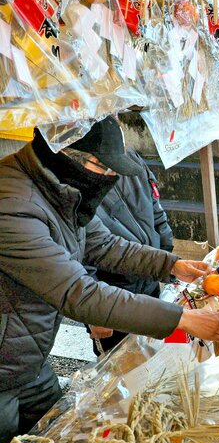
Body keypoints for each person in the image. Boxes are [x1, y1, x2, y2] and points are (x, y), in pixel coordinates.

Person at [0, 118, 219, 443]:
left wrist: (172, 265)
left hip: (26, 356)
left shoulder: (58, 189)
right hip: (3, 366)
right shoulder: (13, 208)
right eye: (103, 167)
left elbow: (105, 245)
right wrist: (182, 319)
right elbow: (79, 293)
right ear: (65, 155)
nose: (111, 177)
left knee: (57, 432)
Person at [86, 147, 175, 356]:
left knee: (153, 356)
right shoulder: (75, 182)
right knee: (118, 368)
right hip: (111, 295)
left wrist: (167, 258)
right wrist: (96, 312)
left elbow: (155, 207)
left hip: (149, 276)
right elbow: (81, 251)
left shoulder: (130, 157)